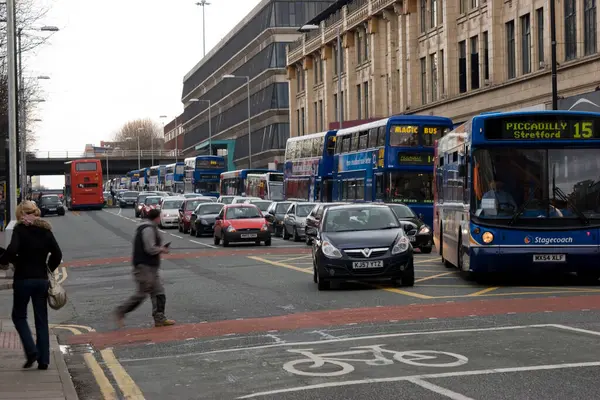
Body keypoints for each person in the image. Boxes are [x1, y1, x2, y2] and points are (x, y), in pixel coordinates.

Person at [0, 201, 62, 370]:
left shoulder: (20, 229)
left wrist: (4, 260)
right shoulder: (46, 230)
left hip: (23, 280)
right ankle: (44, 360)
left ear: (22, 214)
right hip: (41, 280)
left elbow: (12, 250)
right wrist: (47, 268)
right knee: (41, 319)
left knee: (19, 316)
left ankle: (31, 350)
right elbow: (57, 254)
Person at [115, 209, 175, 327]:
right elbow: (150, 248)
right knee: (142, 293)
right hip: (144, 267)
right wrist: (162, 249)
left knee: (159, 293)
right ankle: (121, 311)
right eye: (160, 217)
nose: (160, 219)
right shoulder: (148, 229)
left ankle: (159, 319)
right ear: (156, 218)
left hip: (151, 267)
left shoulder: (150, 227)